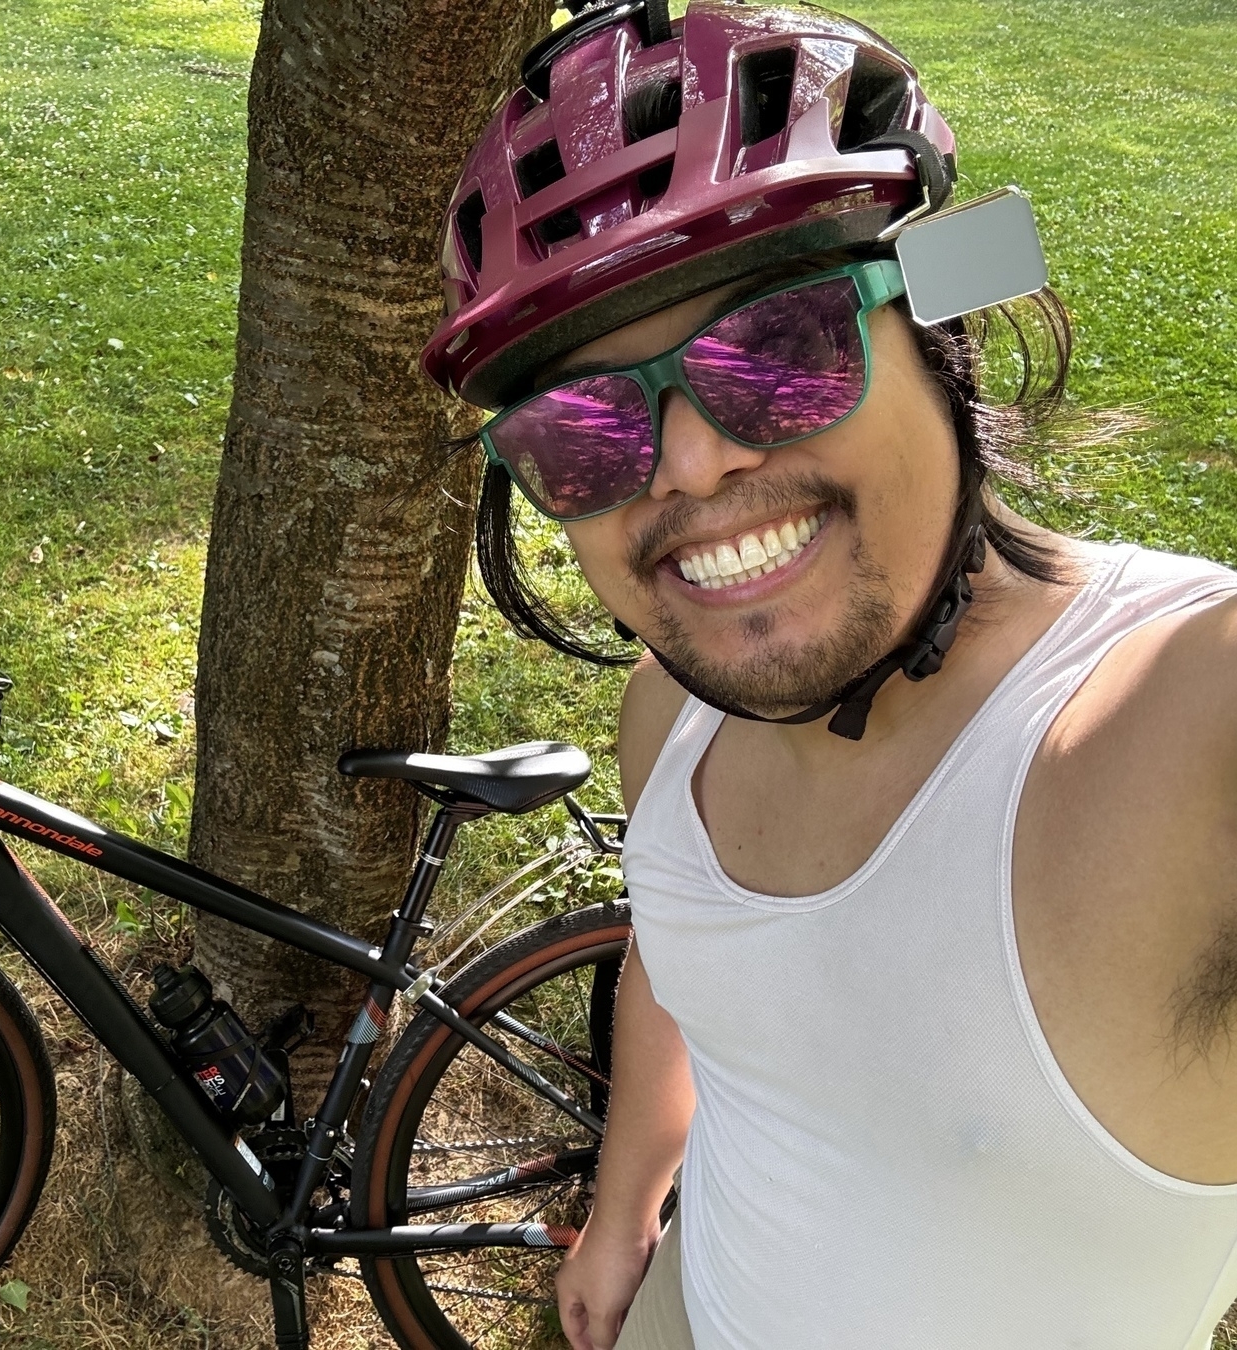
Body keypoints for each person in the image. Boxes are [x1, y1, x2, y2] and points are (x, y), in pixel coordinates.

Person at [421, 2, 1237, 1347]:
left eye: (782, 348)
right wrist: (630, 1204)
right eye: (580, 430)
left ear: (944, 330)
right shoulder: (670, 723)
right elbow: (692, 963)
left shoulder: (1175, 734)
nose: (687, 470)